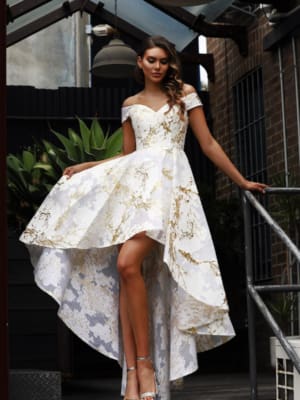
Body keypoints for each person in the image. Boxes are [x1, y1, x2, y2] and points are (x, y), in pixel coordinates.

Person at [20, 35, 267, 400]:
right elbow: (128, 155)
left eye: (163, 61)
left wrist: (242, 181)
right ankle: (134, 373)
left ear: (170, 64)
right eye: (151, 60)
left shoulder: (183, 94)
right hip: (134, 193)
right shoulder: (130, 104)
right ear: (139, 62)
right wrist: (90, 166)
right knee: (126, 272)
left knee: (127, 262)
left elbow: (208, 144)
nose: (157, 66)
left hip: (170, 191)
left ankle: (146, 365)